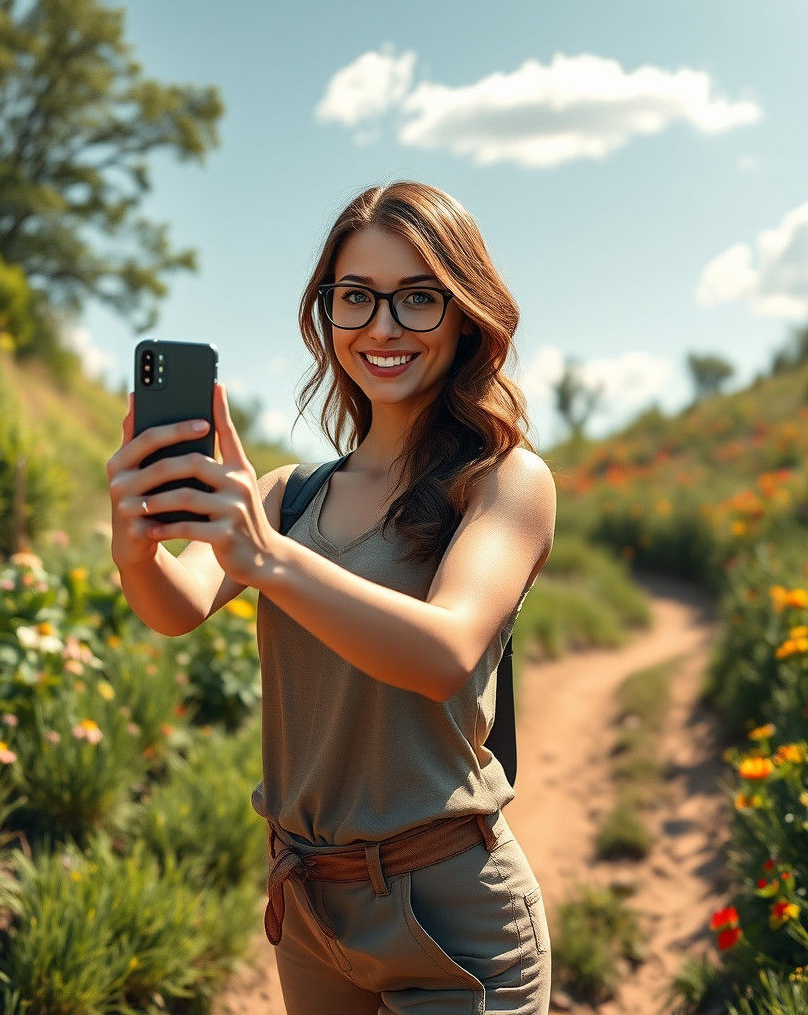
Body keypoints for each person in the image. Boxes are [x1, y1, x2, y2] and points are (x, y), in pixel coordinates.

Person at [108, 181, 558, 1014]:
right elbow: (174, 608)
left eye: (418, 299)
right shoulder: (287, 495)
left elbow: (444, 653)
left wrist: (271, 560)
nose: (382, 327)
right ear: (327, 313)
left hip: (452, 917)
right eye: (356, 297)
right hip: (310, 904)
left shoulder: (504, 482)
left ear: (466, 314)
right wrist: (132, 542)